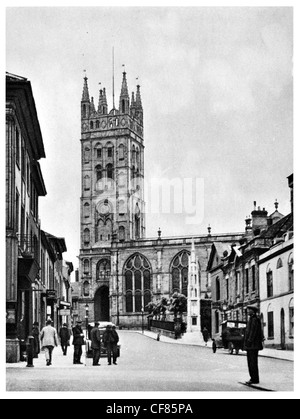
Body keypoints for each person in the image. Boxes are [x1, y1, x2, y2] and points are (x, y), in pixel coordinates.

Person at [244, 304, 264, 385]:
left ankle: (254, 379)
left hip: (253, 345)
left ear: (253, 311)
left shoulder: (255, 319)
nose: (248, 311)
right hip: (251, 345)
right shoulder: (252, 319)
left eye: (249, 310)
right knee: (250, 362)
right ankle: (253, 378)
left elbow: (253, 332)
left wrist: (249, 341)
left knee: (252, 362)